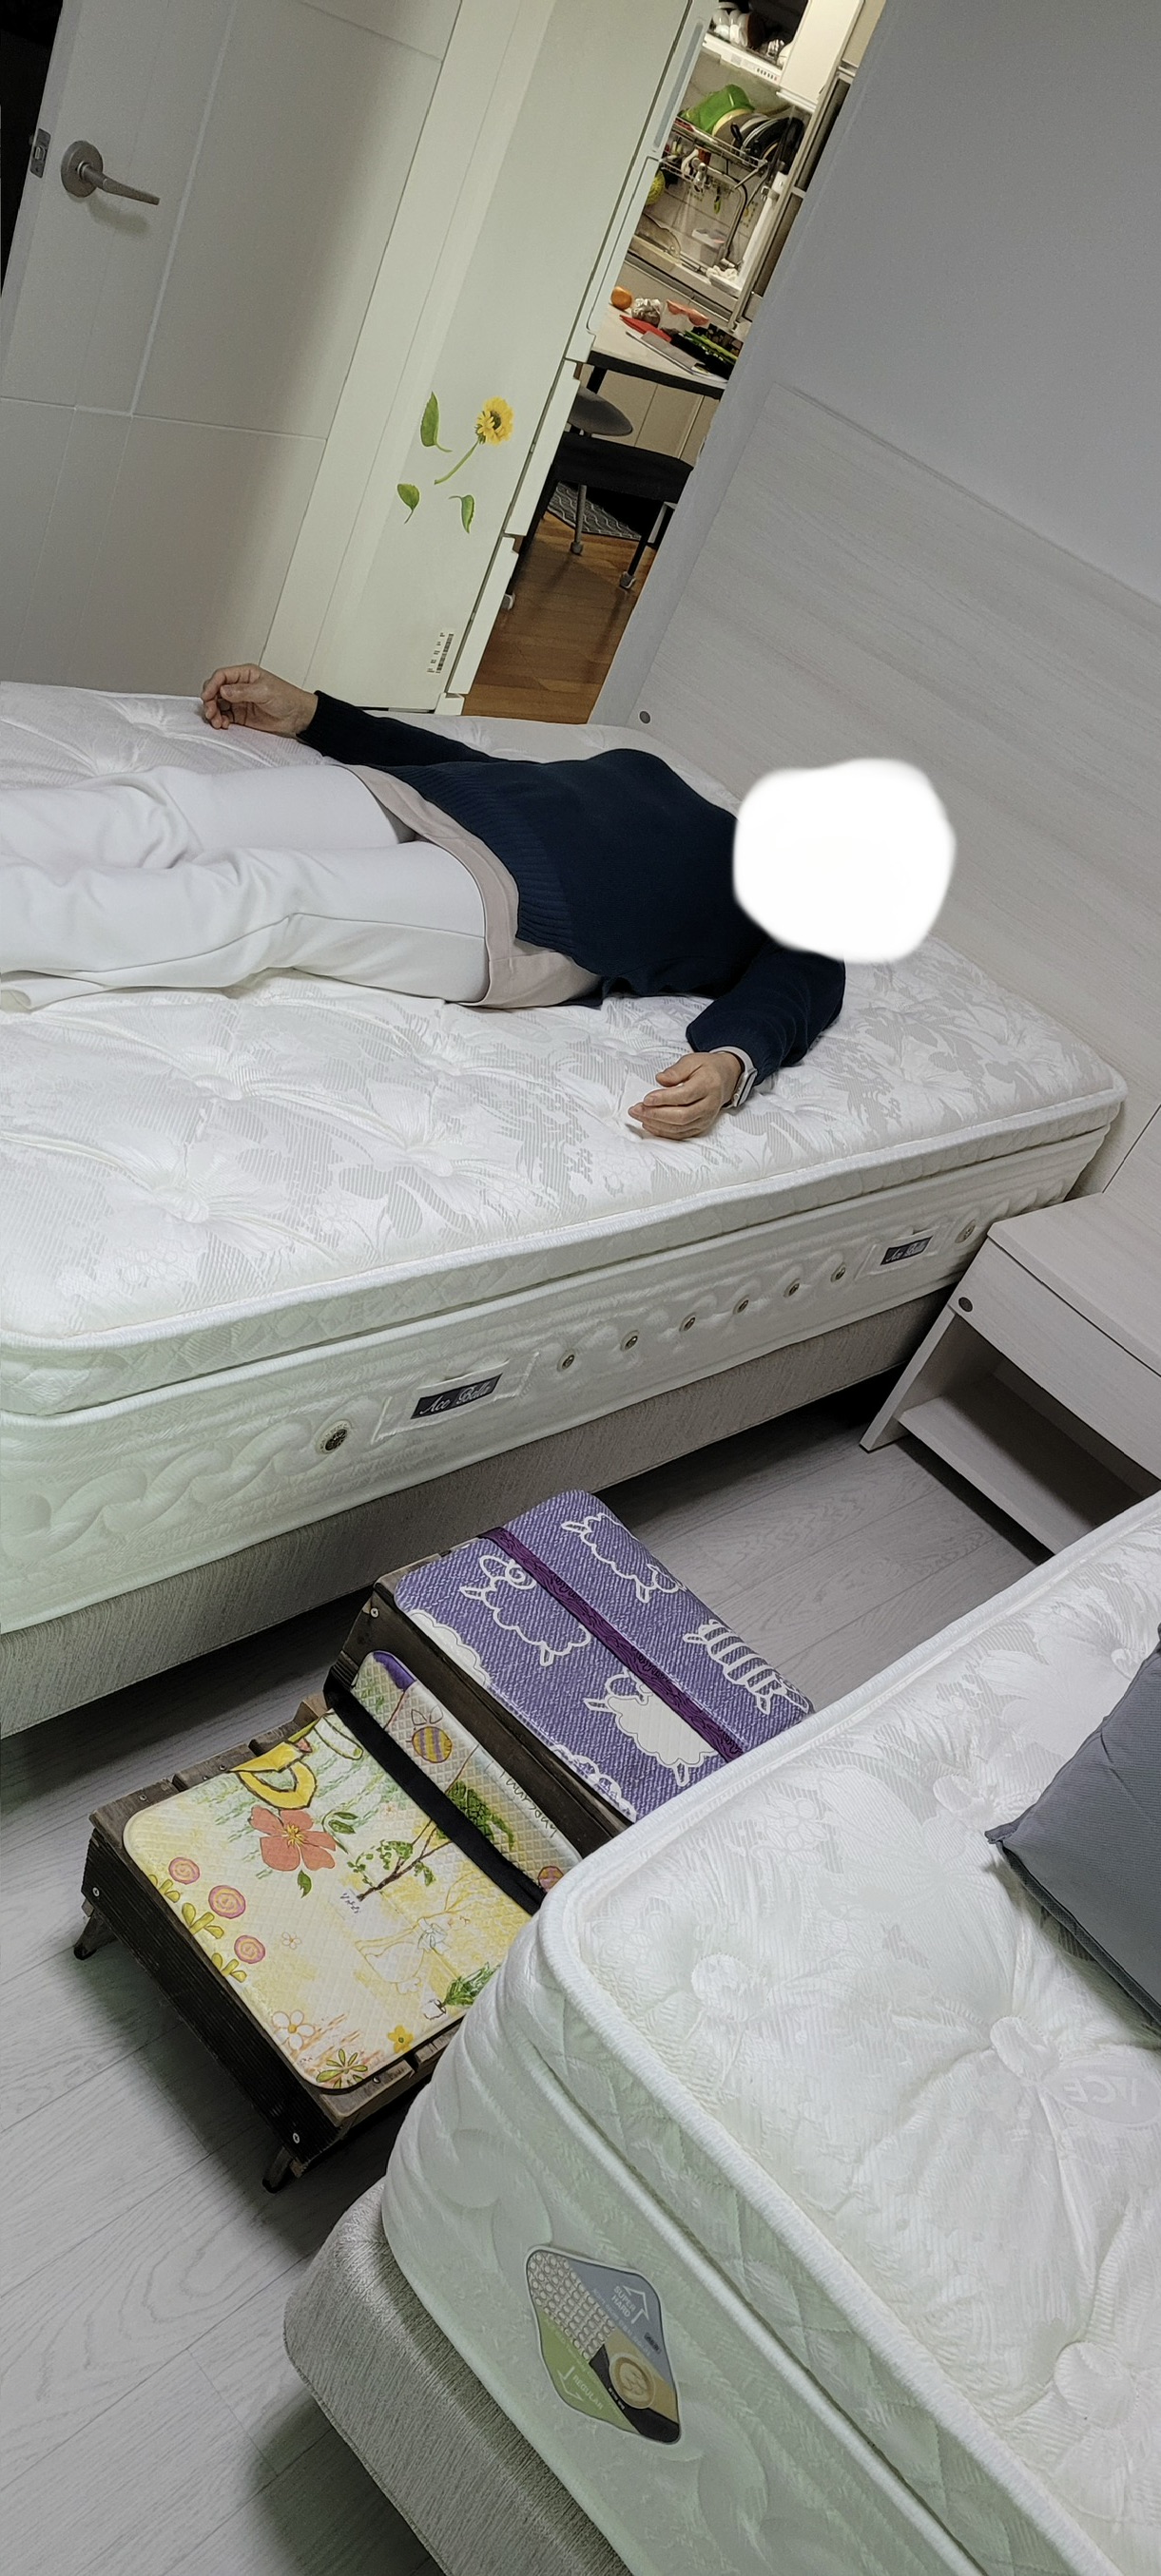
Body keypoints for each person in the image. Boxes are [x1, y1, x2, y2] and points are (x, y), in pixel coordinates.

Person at [198, 662, 845, 1142]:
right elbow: (490, 767)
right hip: (474, 804)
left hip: (531, 911)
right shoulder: (662, 784)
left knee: (267, 893)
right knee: (184, 808)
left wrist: (730, 1064)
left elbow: (802, 980)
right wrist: (314, 716)